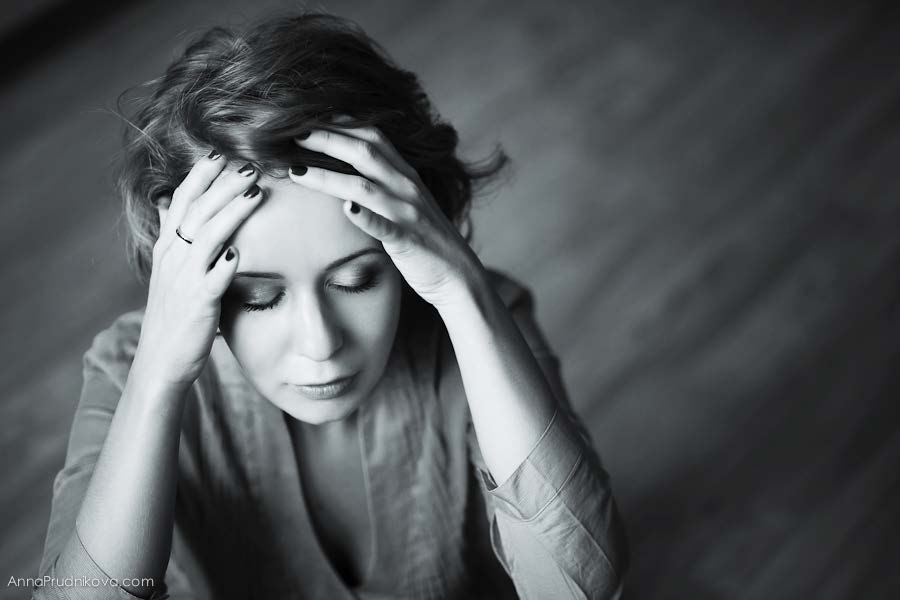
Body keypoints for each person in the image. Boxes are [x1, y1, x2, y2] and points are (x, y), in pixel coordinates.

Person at [33, 10, 627, 600]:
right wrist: (156, 381)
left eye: (356, 280)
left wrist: (464, 294)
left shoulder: (480, 322)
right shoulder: (127, 369)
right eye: (258, 297)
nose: (321, 344)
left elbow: (579, 587)